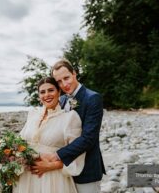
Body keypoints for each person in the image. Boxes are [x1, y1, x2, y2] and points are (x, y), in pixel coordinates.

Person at [35, 59, 106, 193]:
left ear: (74, 73)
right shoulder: (61, 99)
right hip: (62, 171)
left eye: (66, 78)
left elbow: (88, 138)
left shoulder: (92, 98)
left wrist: (56, 156)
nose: (64, 84)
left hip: (86, 170)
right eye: (59, 81)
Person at [13, 77, 85, 193]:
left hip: (52, 179)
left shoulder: (69, 117)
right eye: (42, 92)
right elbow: (19, 142)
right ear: (39, 96)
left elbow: (77, 153)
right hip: (26, 177)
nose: (47, 95)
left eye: (51, 90)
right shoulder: (32, 114)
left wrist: (51, 166)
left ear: (59, 92)